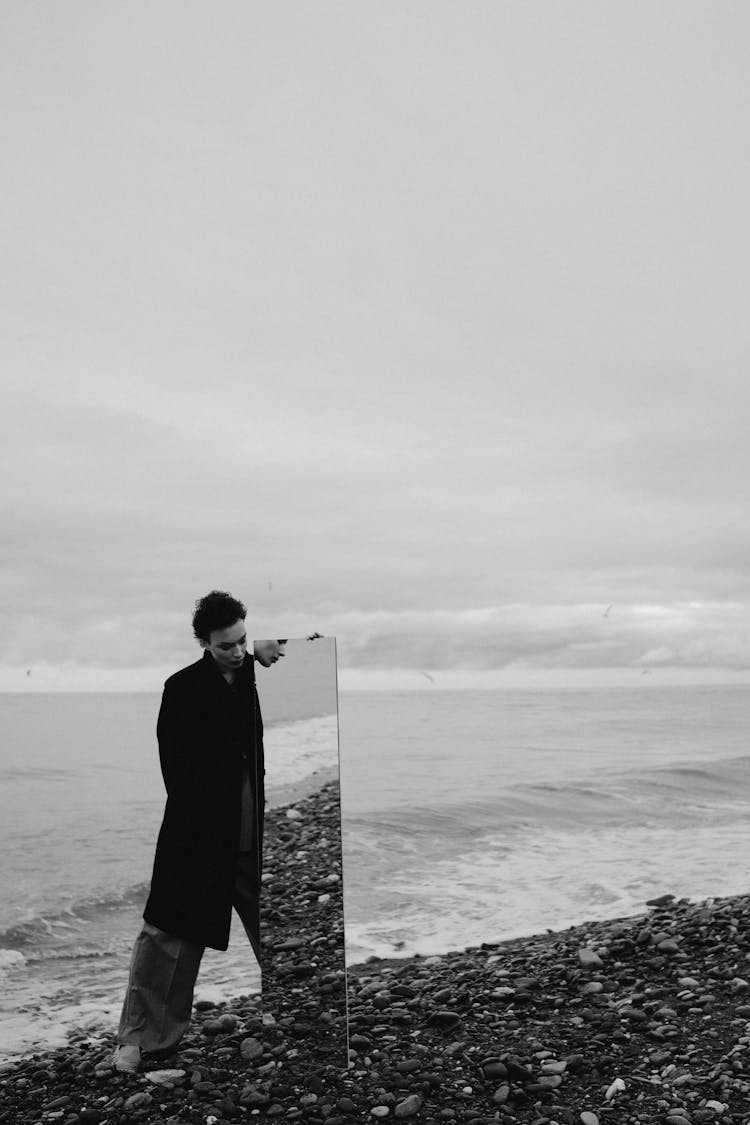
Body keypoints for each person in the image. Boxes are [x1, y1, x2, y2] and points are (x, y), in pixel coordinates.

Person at [112, 591, 286, 1073]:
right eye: (225, 644)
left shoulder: (259, 672)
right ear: (203, 643)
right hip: (198, 831)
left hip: (252, 828)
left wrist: (276, 649)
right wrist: (204, 825)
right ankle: (143, 1038)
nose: (236, 650)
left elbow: (301, 661)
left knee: (282, 922)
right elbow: (176, 768)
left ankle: (310, 1015)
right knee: (167, 932)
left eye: (242, 640)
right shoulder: (182, 687)